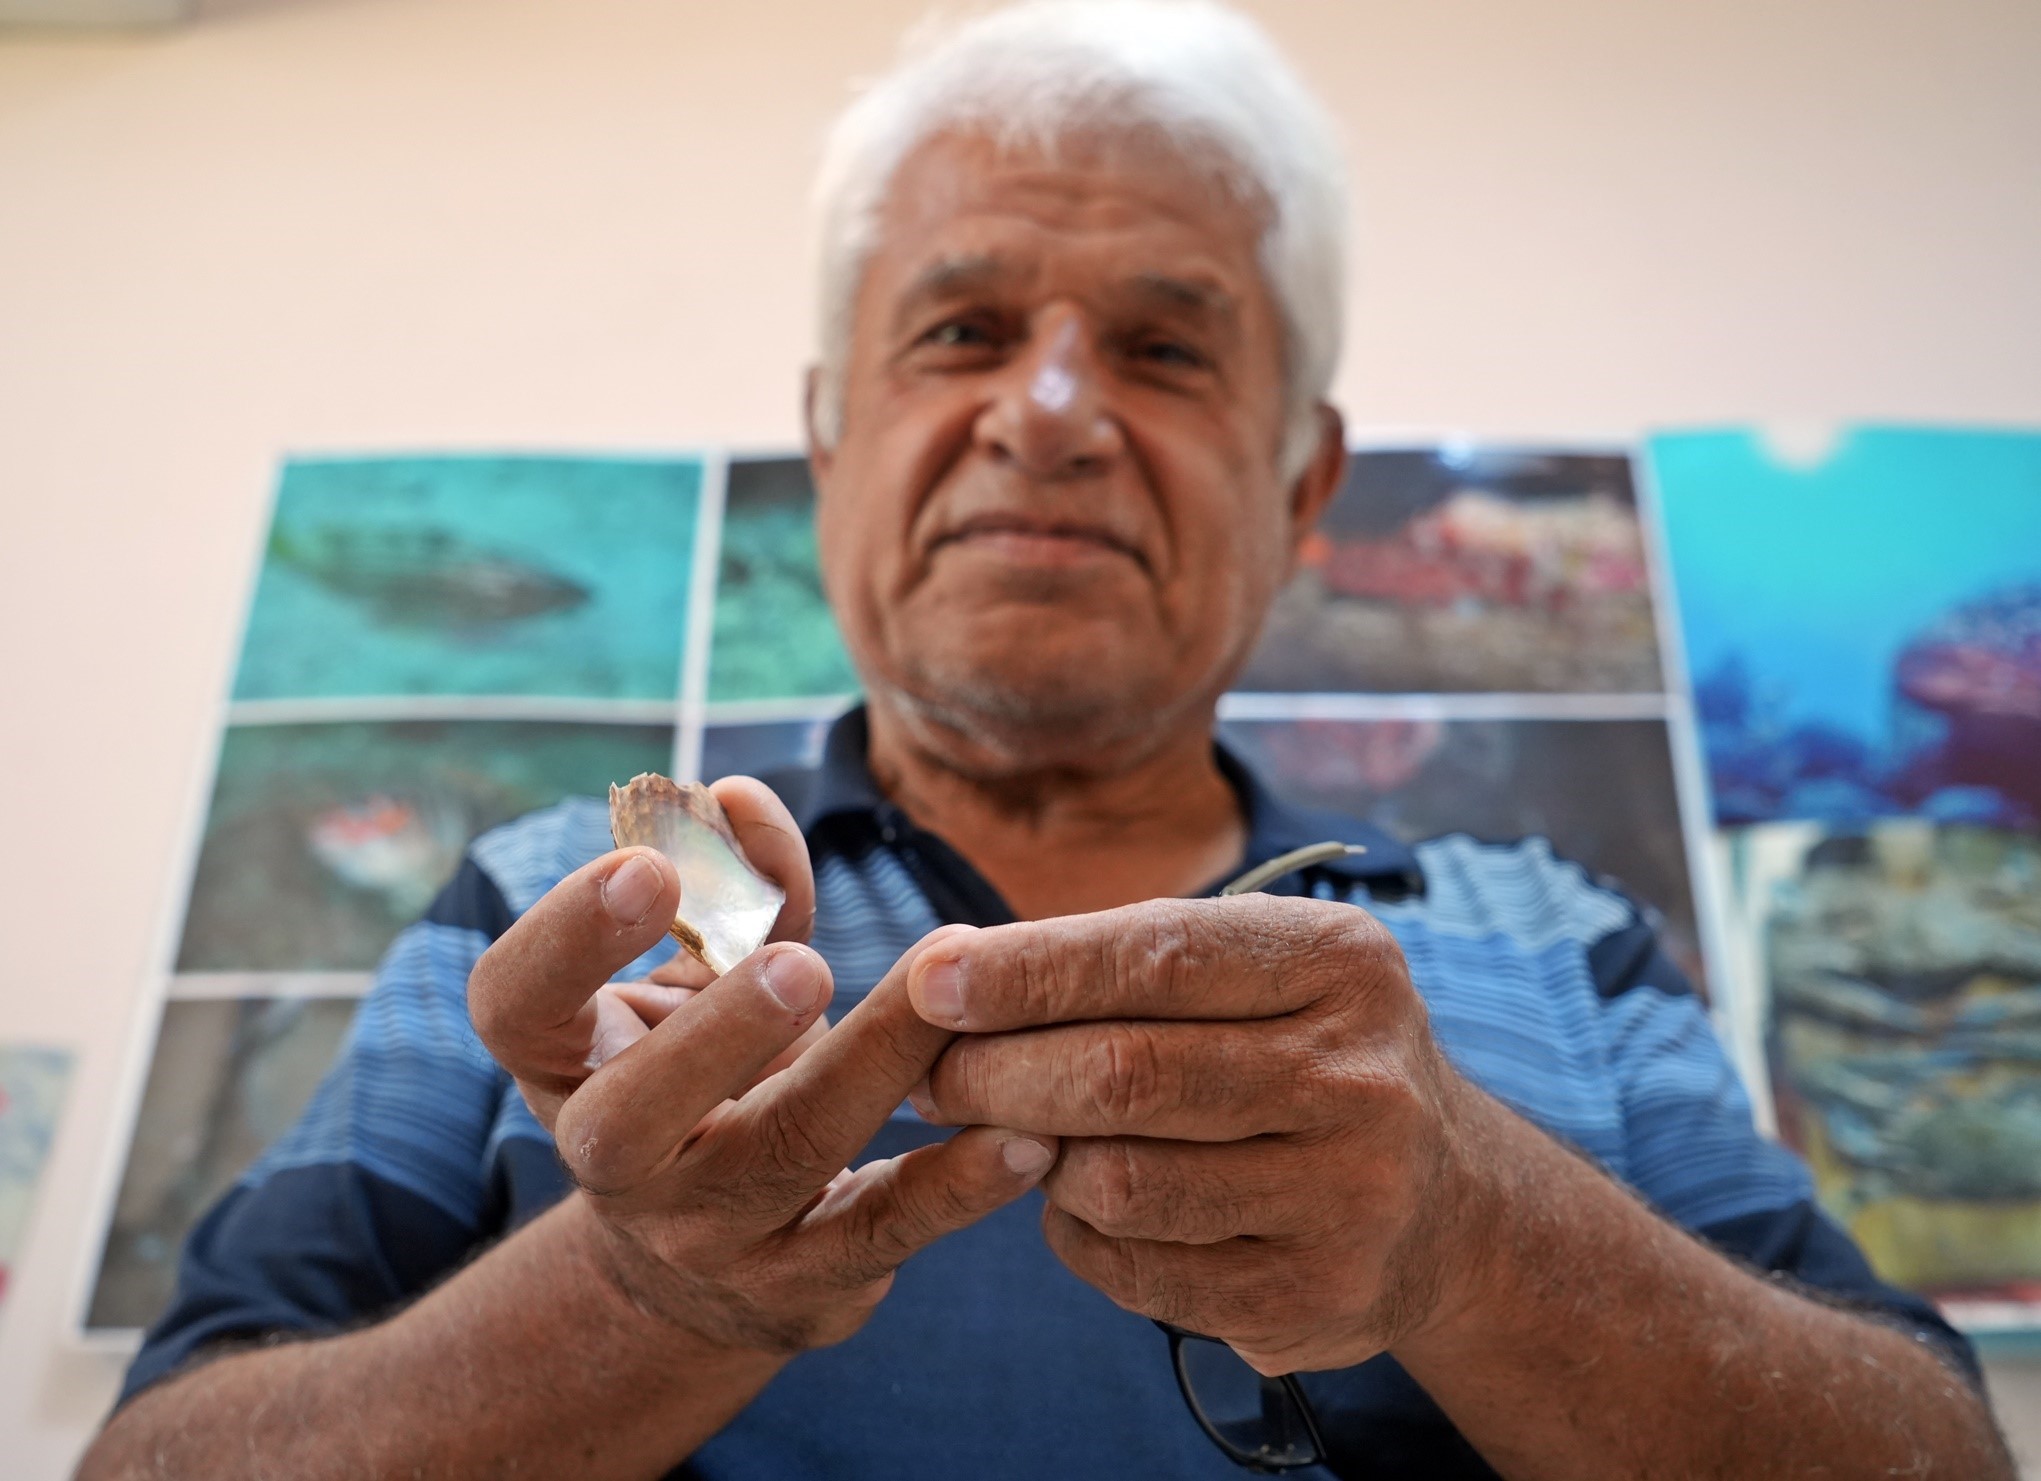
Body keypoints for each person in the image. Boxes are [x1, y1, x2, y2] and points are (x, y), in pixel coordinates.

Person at [82, 3, 2014, 1477]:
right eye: (960, 330)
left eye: (1167, 347)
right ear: (831, 440)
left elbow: (1939, 1447)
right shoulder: (555, 903)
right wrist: (642, 1288)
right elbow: (156, 1453)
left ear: (1300, 479)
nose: (1052, 411)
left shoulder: (1555, 942)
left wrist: (1467, 1234)